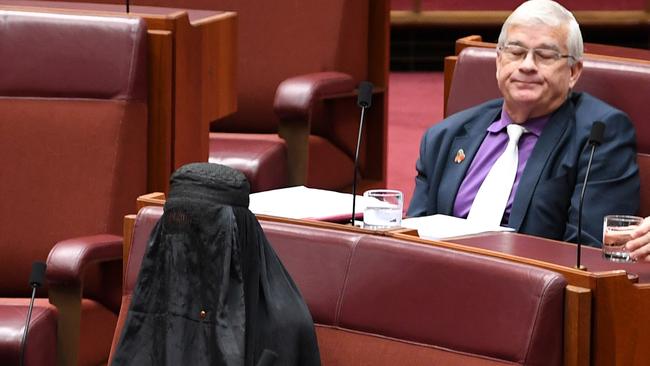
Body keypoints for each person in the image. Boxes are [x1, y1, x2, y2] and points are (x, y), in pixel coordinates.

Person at [407, 0, 639, 246]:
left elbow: (587, 252)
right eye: (516, 53)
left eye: (545, 56)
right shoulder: (445, 136)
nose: (527, 66)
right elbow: (410, 236)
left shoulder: (599, 136)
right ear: (499, 61)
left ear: (573, 72)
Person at [111, 163, 321, 365]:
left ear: (238, 235)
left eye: (203, 234)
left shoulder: (283, 329)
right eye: (177, 227)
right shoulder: (156, 298)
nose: (186, 248)